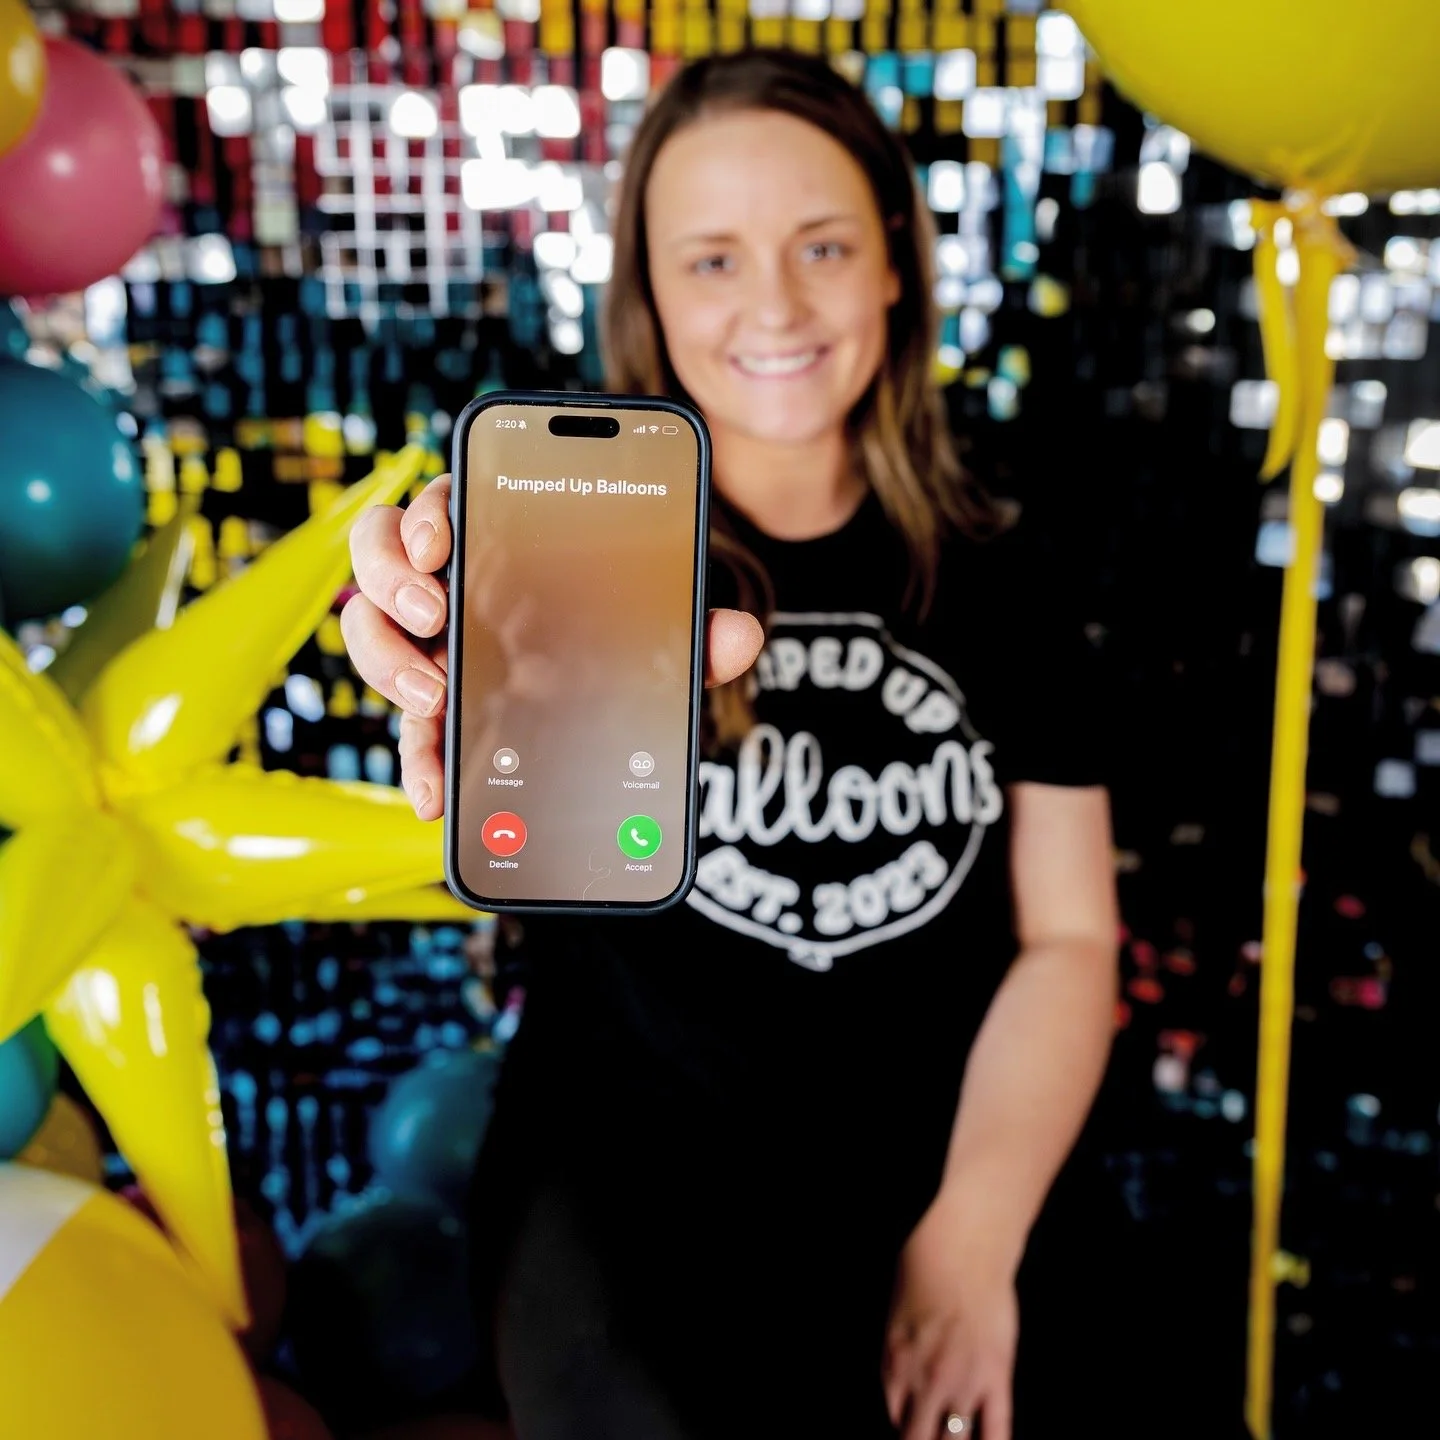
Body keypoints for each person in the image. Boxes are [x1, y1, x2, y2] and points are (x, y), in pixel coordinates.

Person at [343, 48, 1138, 1440]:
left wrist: (972, 1238)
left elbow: (1069, 939)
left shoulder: (1006, 568)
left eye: (821, 246)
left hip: (957, 1141)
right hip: (632, 1168)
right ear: (649, 298)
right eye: (711, 261)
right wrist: (431, 624)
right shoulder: (566, 544)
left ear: (894, 267)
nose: (775, 306)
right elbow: (464, 664)